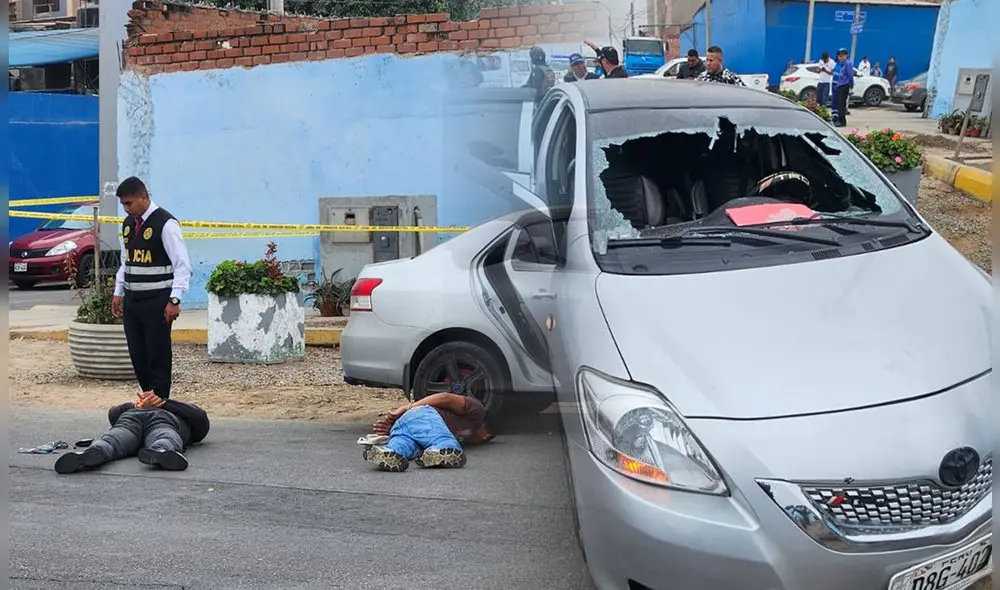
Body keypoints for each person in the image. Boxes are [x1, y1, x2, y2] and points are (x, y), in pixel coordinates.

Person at [111, 177, 192, 401]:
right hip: (133, 301)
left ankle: (161, 401)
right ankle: (147, 397)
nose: (126, 209)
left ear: (144, 197)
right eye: (123, 205)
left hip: (157, 301)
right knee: (138, 354)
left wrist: (174, 299)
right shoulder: (128, 225)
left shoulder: (166, 224)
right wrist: (119, 291)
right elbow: (126, 261)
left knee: (157, 354)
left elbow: (182, 266)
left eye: (129, 203)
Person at [54, 392, 210, 474]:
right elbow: (113, 413)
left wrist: (163, 403)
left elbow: (200, 416)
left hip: (149, 421)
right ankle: (160, 452)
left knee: (112, 441)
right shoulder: (183, 419)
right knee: (165, 438)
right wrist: (137, 405)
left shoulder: (178, 412)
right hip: (141, 420)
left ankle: (93, 452)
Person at [363, 393, 494, 472]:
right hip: (423, 414)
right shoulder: (478, 412)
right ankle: (443, 449)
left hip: (406, 424)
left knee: (405, 445)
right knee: (445, 443)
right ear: (485, 433)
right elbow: (445, 398)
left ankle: (389, 452)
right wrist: (407, 407)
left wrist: (391, 428)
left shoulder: (463, 433)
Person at [833, 48, 855, 127]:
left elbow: (850, 75)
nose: (840, 57)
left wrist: (851, 84)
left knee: (841, 104)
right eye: (839, 56)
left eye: (842, 55)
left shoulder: (848, 63)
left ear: (846, 55)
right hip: (840, 85)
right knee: (839, 104)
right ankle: (840, 119)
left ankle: (842, 121)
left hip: (844, 86)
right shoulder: (841, 64)